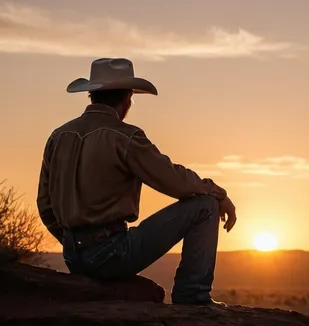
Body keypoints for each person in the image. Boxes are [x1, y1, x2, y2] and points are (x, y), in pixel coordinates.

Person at [37, 57, 236, 305]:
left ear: (92, 94)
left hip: (72, 257)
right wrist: (218, 192)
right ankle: (193, 296)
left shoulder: (58, 136)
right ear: (127, 98)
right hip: (111, 254)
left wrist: (76, 244)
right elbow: (175, 181)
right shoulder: (125, 137)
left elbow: (45, 205)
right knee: (205, 205)